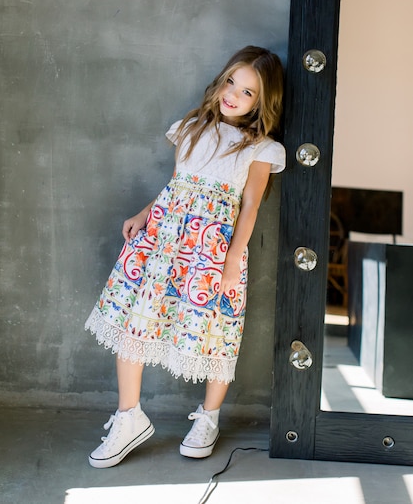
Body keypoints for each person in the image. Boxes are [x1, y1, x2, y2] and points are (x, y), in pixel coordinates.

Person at [85, 45, 286, 468]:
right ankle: (129, 417)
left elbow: (249, 207)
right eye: (231, 81)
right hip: (163, 238)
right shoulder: (192, 127)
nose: (233, 94)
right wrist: (143, 214)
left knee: (214, 330)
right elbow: (176, 184)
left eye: (248, 92)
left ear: (261, 104)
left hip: (212, 251)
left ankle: (209, 418)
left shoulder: (259, 149)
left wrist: (232, 260)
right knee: (135, 318)